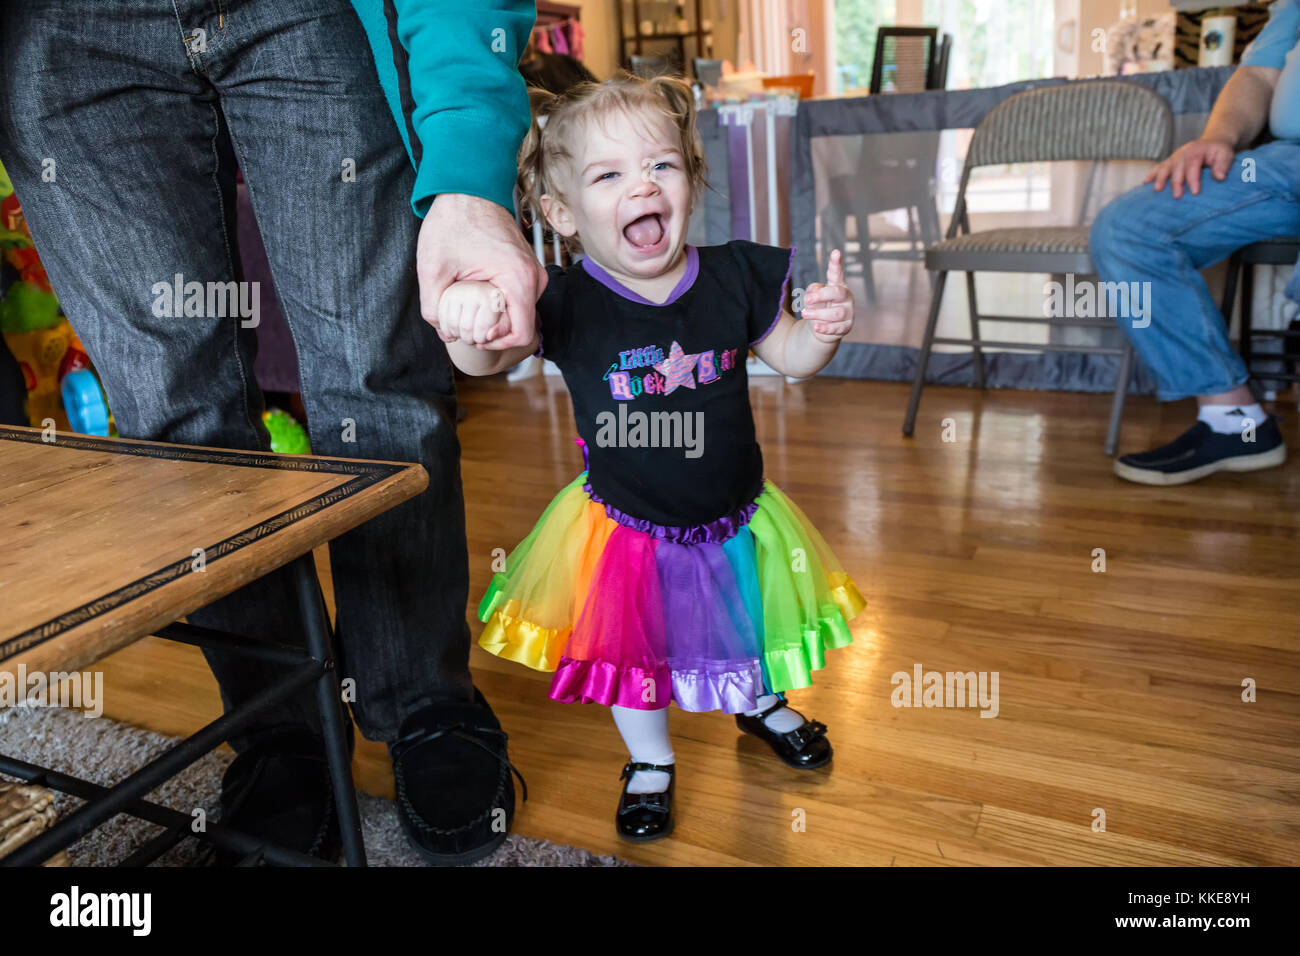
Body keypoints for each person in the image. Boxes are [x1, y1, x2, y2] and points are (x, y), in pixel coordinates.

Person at [0, 0, 544, 866]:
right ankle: (280, 734)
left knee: (376, 376)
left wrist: (471, 175)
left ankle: (423, 705)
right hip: (61, 33)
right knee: (176, 426)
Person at [432, 73, 867, 840]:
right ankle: (651, 761)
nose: (642, 184)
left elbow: (793, 357)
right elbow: (484, 366)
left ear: (691, 182)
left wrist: (822, 329)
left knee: (749, 621)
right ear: (563, 214)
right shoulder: (563, 301)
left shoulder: (734, 275)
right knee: (633, 655)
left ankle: (757, 705)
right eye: (609, 175)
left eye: (661, 165)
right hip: (626, 531)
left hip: (737, 513)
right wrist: (470, 323)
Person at [1090, 0, 1300, 485]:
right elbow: (1260, 77)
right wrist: (1219, 136)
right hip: (1283, 160)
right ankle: (1234, 423)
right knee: (1128, 229)